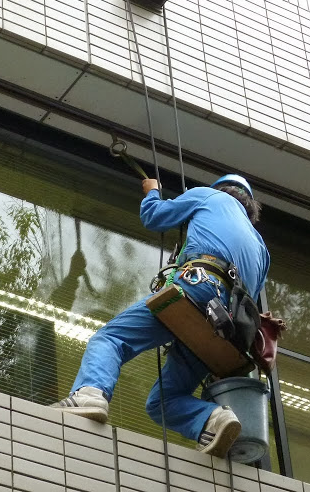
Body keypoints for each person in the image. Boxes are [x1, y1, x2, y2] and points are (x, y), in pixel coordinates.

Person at [51, 174, 270, 458]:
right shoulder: (262, 251)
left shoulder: (209, 196)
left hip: (199, 288)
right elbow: (251, 297)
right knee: (163, 403)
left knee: (110, 339)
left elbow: (154, 217)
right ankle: (212, 419)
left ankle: (90, 395)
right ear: (250, 208)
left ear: (222, 190)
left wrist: (152, 191)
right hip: (224, 329)